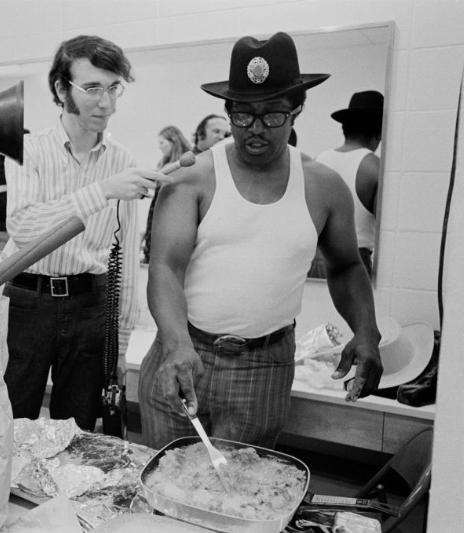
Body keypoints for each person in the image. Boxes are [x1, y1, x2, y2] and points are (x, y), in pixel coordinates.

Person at [139, 32, 383, 450]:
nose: (255, 129)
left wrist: (366, 331)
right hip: (182, 350)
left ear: (297, 110)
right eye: (243, 115)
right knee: (164, 477)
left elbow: (346, 266)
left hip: (263, 368)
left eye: (272, 115)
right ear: (228, 111)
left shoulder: (323, 187)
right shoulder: (192, 178)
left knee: (240, 486)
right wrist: (177, 344)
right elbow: (165, 267)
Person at [2, 35, 168, 431]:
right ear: (62, 89)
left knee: (76, 430)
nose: (106, 103)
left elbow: (125, 257)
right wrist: (103, 190)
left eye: (113, 88)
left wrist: (119, 345)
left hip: (90, 304)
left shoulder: (122, 160)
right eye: (92, 88)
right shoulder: (27, 149)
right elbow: (24, 227)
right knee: (11, 422)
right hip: (26, 303)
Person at [316, 90, 384, 276]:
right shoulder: (375, 167)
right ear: (379, 133)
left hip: (315, 257)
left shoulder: (319, 160)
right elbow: (387, 230)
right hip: (353, 260)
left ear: (345, 127)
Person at [142, 125, 192, 263]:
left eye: (162, 142)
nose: (159, 147)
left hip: (170, 221)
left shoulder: (183, 166)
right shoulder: (165, 163)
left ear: (173, 141)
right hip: (156, 215)